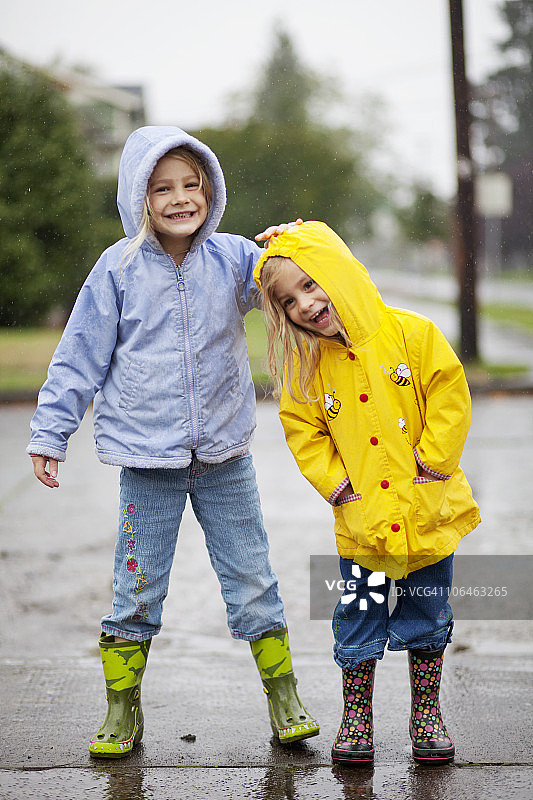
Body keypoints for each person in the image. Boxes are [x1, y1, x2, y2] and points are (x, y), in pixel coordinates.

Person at [27, 126, 318, 758]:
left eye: (192, 184)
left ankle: (284, 694)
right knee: (137, 585)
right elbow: (79, 357)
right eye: (163, 188)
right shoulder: (119, 269)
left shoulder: (236, 259)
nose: (180, 198)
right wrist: (52, 433)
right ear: (139, 197)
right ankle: (122, 707)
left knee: (251, 578)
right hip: (146, 459)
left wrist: (299, 243)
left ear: (209, 189)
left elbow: (292, 277)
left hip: (224, 456)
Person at [254, 220, 481, 766]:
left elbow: (450, 394)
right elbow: (302, 430)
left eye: (311, 285)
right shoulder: (309, 368)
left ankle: (426, 710)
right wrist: (340, 488)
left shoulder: (411, 334)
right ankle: (357, 712)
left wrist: (432, 460)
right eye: (289, 301)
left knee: (427, 609)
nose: (305, 305)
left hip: (428, 509)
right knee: (360, 611)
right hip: (364, 521)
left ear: (340, 273)